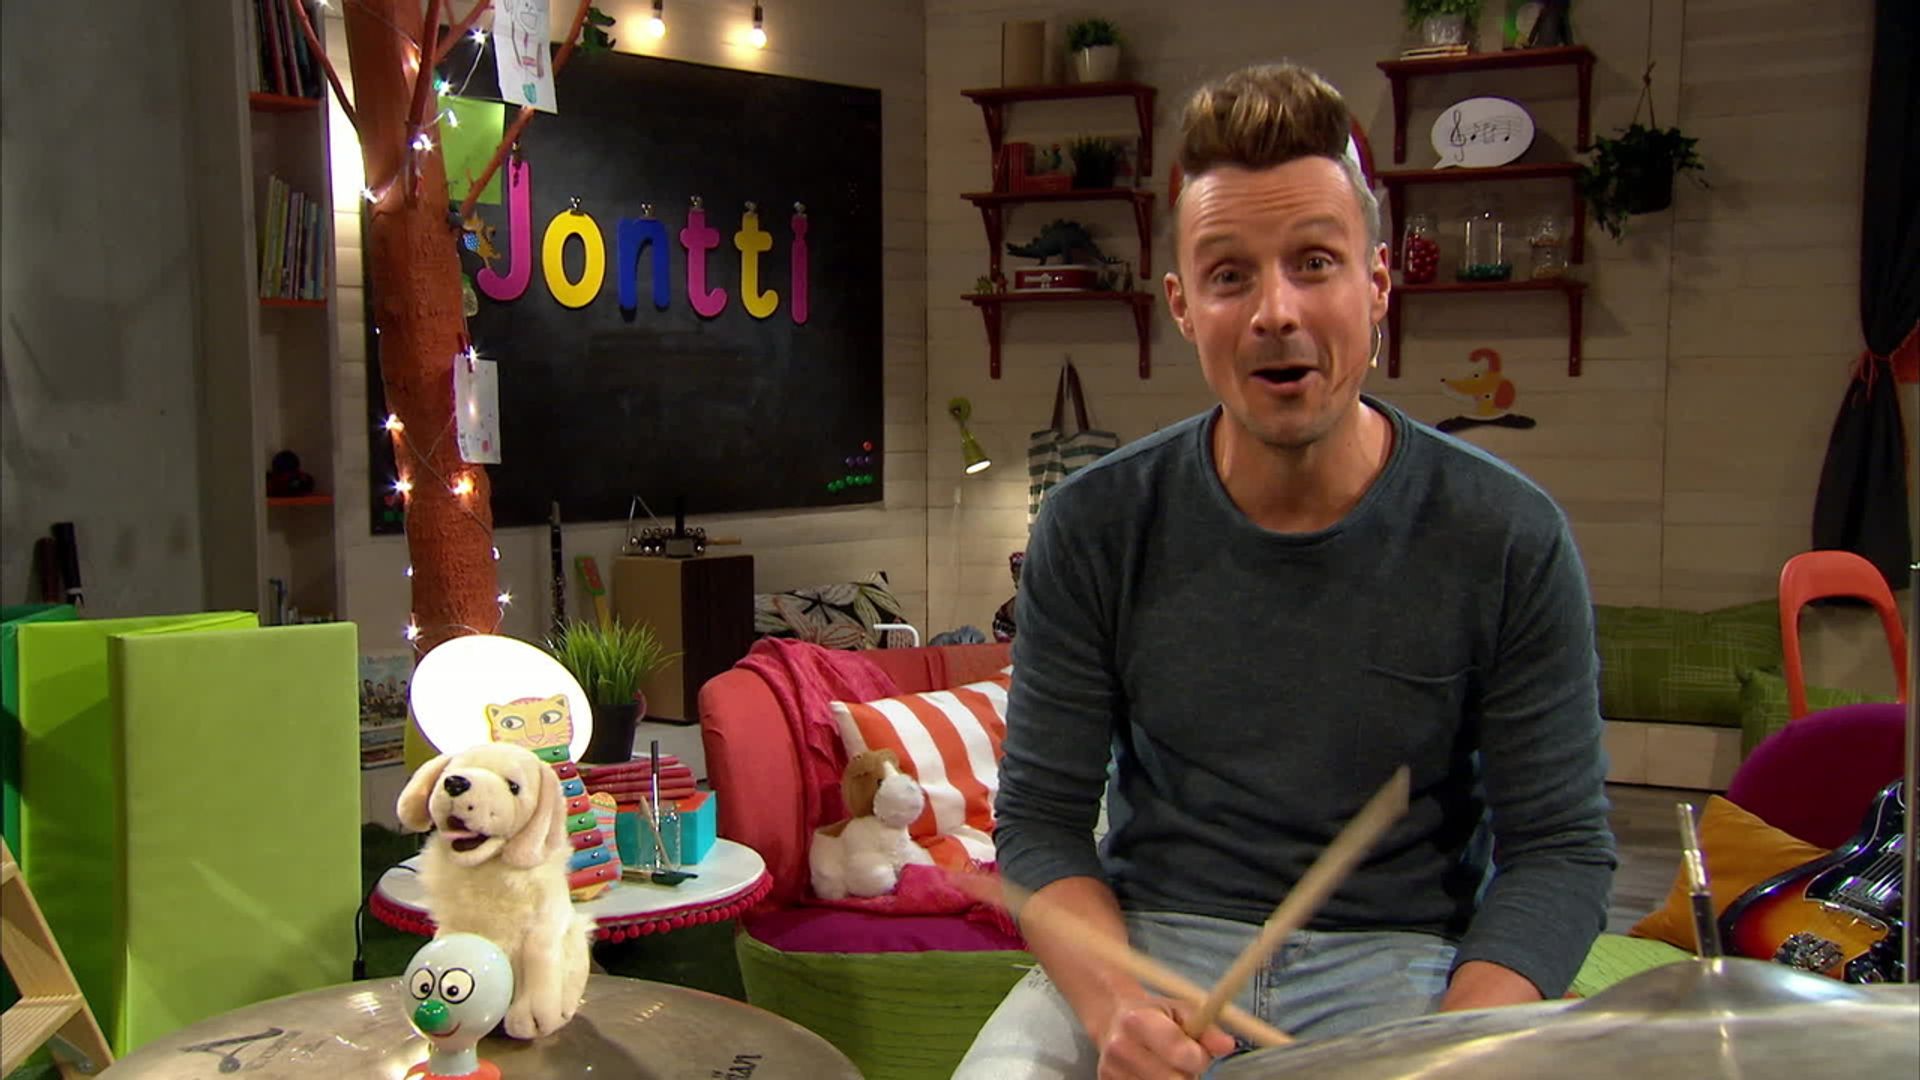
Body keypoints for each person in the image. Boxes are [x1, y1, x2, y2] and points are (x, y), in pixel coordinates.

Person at [954, 61, 1615, 1080]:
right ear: (1183, 305)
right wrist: (1116, 1006)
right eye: (1230, 275)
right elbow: (1041, 823)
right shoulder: (1093, 525)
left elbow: (1560, 852)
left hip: (1402, 964)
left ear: (1377, 284)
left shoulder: (1507, 534)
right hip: (1142, 953)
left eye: (1314, 262)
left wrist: (1456, 1044)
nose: (1275, 310)